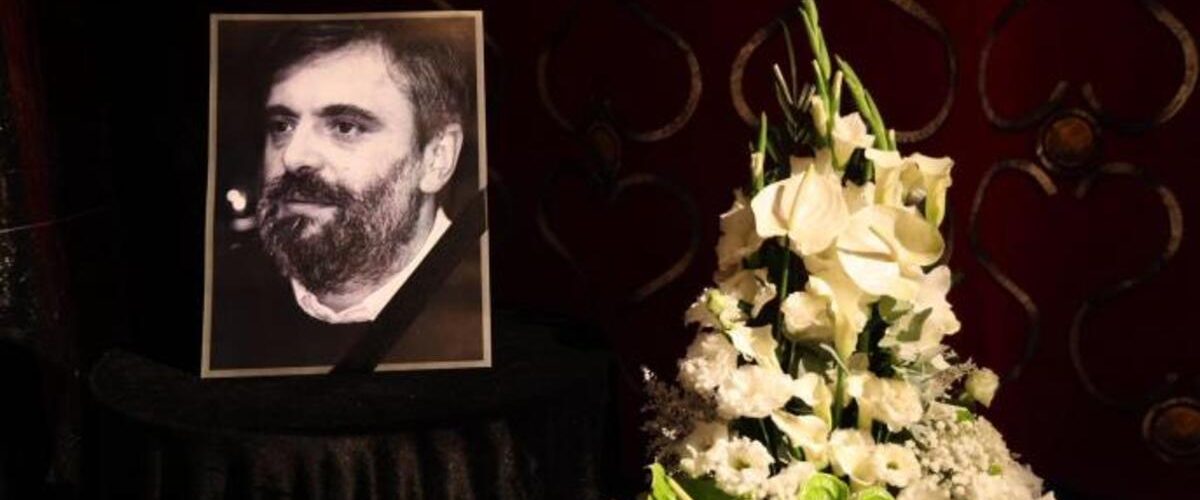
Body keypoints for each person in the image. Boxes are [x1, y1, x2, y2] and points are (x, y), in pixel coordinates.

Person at [207, 19, 486, 374]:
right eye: (282, 126)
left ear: (436, 159)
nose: (293, 156)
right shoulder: (221, 295)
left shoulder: (484, 306)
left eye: (345, 126)